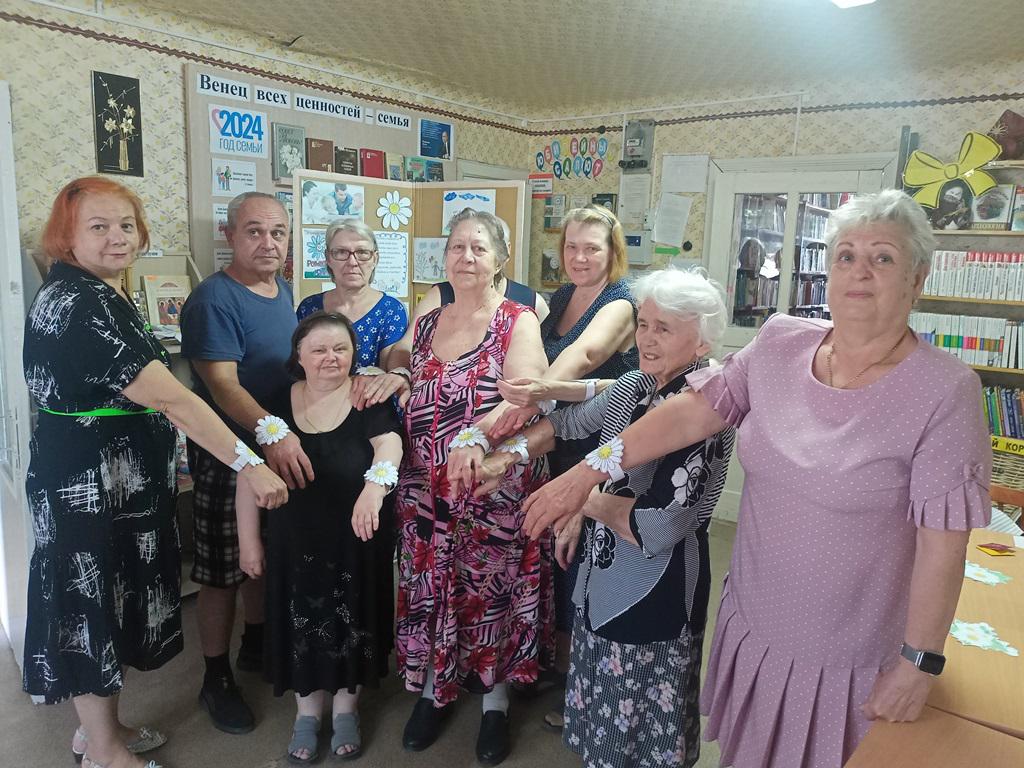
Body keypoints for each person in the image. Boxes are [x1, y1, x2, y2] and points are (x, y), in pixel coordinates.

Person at [521, 190, 993, 767]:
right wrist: (588, 472)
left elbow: (944, 546)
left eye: (883, 257)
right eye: (845, 255)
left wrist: (920, 661)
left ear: (917, 279)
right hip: (756, 619)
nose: (860, 271)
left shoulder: (944, 390)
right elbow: (694, 412)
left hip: (850, 646)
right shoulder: (780, 342)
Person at [22, 177, 287, 768]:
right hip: (87, 485)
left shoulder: (100, 290)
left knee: (108, 601)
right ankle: (105, 752)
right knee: (90, 606)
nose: (117, 238)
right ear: (67, 235)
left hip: (111, 479)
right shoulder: (81, 303)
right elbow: (174, 399)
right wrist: (250, 462)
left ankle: (99, 732)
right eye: (98, 227)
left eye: (125, 225)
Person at [477, 267, 735, 768]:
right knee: (602, 709)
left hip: (656, 587)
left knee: (640, 722)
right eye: (644, 324)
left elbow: (660, 525)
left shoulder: (703, 407)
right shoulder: (637, 385)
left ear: (701, 341)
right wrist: (504, 458)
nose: (647, 338)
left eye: (664, 329)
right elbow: (566, 424)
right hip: (604, 570)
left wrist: (578, 496)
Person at [395, 209, 553, 766]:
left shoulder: (517, 320)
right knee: (431, 587)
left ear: (501, 259)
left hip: (490, 487)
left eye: (479, 248)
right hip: (424, 490)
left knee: (491, 593)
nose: (466, 257)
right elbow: (404, 365)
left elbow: (528, 397)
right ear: (444, 258)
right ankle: (434, 690)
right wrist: (396, 375)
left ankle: (495, 702)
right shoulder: (428, 320)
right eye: (457, 247)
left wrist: (473, 437)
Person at [236, 313, 403, 762]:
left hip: (356, 538)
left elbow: (390, 445)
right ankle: (306, 715)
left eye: (341, 349)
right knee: (301, 624)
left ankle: (347, 709)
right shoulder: (273, 403)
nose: (331, 358)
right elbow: (246, 473)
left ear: (354, 354)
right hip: (293, 541)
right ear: (299, 355)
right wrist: (249, 541)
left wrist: (374, 488)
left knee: (353, 621)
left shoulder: (366, 397)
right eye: (319, 349)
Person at [497, 204, 638, 727]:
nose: (579, 257)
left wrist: (528, 400)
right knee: (556, 561)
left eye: (591, 248)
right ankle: (560, 669)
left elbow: (584, 356)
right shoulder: (558, 298)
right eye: (571, 247)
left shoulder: (621, 301)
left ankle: (584, 689)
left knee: (583, 565)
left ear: (612, 253)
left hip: (600, 450)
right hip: (556, 442)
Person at [180, 191, 311, 735]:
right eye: (254, 231)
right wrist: (274, 434)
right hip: (228, 453)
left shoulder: (282, 290)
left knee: (263, 555)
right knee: (222, 571)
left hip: (277, 447)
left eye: (278, 232)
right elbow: (223, 387)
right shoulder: (213, 300)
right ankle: (216, 676)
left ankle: (256, 643)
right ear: (230, 235)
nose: (268, 243)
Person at [295, 219, 408, 369]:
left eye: (362, 252)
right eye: (341, 252)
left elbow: (389, 377)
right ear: (328, 258)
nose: (352, 262)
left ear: (375, 259)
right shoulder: (309, 308)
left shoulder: (392, 311)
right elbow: (300, 369)